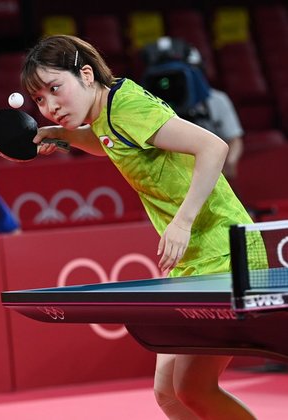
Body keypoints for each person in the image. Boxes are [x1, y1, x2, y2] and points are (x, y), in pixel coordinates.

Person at [21, 35, 265, 419]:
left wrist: (182, 223)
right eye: (39, 100)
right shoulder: (107, 112)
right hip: (197, 261)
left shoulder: (127, 105)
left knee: (192, 388)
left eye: (55, 89)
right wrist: (63, 135)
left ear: (86, 74)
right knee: (168, 393)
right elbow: (110, 142)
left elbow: (214, 147)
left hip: (225, 251)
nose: (50, 106)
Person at [141, 36, 244, 181]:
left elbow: (234, 139)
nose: (168, 84)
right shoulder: (145, 107)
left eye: (177, 77)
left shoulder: (216, 100)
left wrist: (230, 162)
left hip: (213, 177)